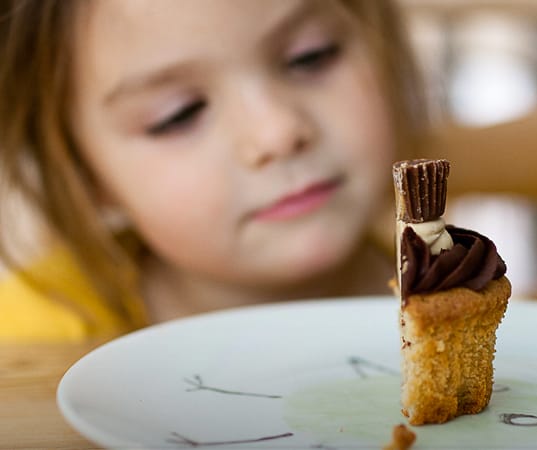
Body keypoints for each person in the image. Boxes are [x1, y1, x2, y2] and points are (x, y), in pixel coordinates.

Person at [0, 0, 428, 341]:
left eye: (309, 57)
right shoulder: (21, 338)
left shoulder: (462, 291)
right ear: (82, 173)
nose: (276, 132)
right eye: (179, 114)